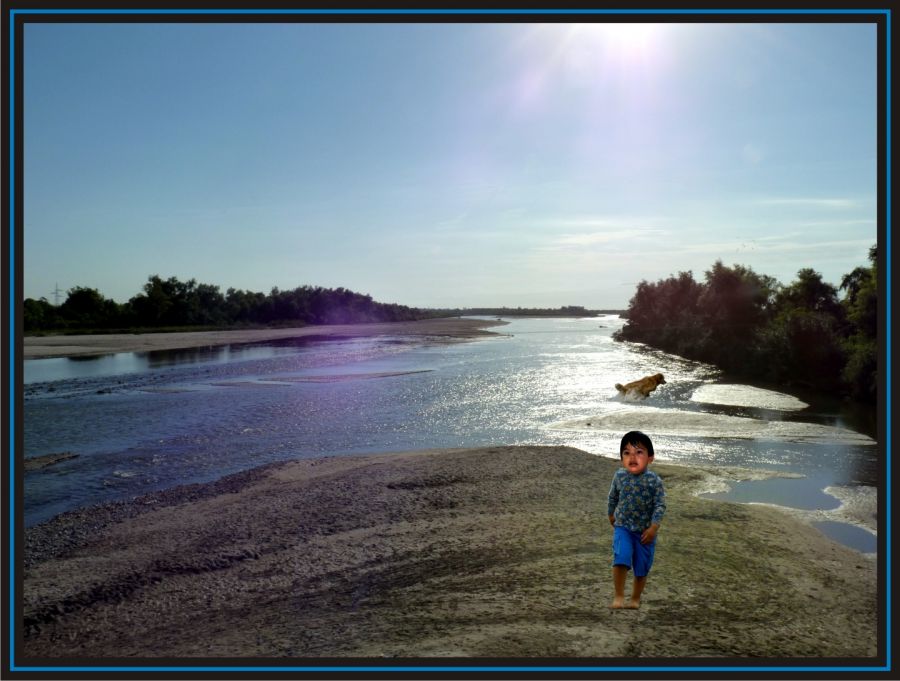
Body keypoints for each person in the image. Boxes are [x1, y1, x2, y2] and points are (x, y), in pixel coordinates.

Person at [607, 430, 666, 609]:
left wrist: (653, 528)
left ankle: (635, 598)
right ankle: (618, 596)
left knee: (642, 567)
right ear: (621, 458)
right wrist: (611, 514)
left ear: (650, 458)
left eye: (639, 452)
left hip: (645, 532)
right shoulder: (619, 476)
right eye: (627, 453)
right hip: (623, 527)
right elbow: (613, 497)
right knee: (620, 558)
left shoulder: (654, 481)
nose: (633, 457)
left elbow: (660, 506)